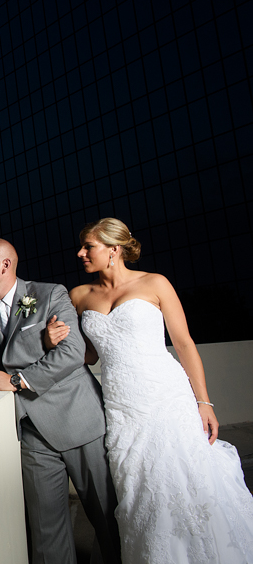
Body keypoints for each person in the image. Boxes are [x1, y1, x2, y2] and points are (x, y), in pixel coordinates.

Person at [45, 217, 253, 563]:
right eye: (81, 247)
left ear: (114, 250)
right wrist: (54, 342)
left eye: (88, 247)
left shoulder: (155, 283)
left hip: (166, 397)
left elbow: (184, 344)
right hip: (121, 406)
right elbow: (89, 354)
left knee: (186, 480)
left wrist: (204, 401)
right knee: (139, 491)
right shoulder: (79, 295)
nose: (80, 253)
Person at [0, 238, 121, 564]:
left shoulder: (49, 294)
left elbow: (73, 353)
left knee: (108, 518)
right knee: (46, 535)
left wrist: (15, 381)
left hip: (79, 420)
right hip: (29, 432)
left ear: (5, 265)